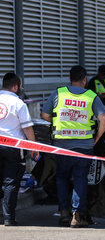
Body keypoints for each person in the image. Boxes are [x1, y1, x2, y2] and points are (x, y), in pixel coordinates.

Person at [41, 65, 105, 228]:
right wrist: (97, 136)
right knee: (80, 179)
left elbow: (44, 115)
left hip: (62, 145)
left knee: (62, 177)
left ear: (70, 78)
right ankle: (77, 215)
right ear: (85, 79)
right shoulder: (91, 96)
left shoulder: (59, 93)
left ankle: (64, 212)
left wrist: (59, 123)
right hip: (84, 146)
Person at [0, 73, 39, 226]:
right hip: (14, 149)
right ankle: (9, 217)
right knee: (11, 182)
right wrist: (34, 147)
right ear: (16, 87)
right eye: (20, 87)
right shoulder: (19, 104)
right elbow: (28, 128)